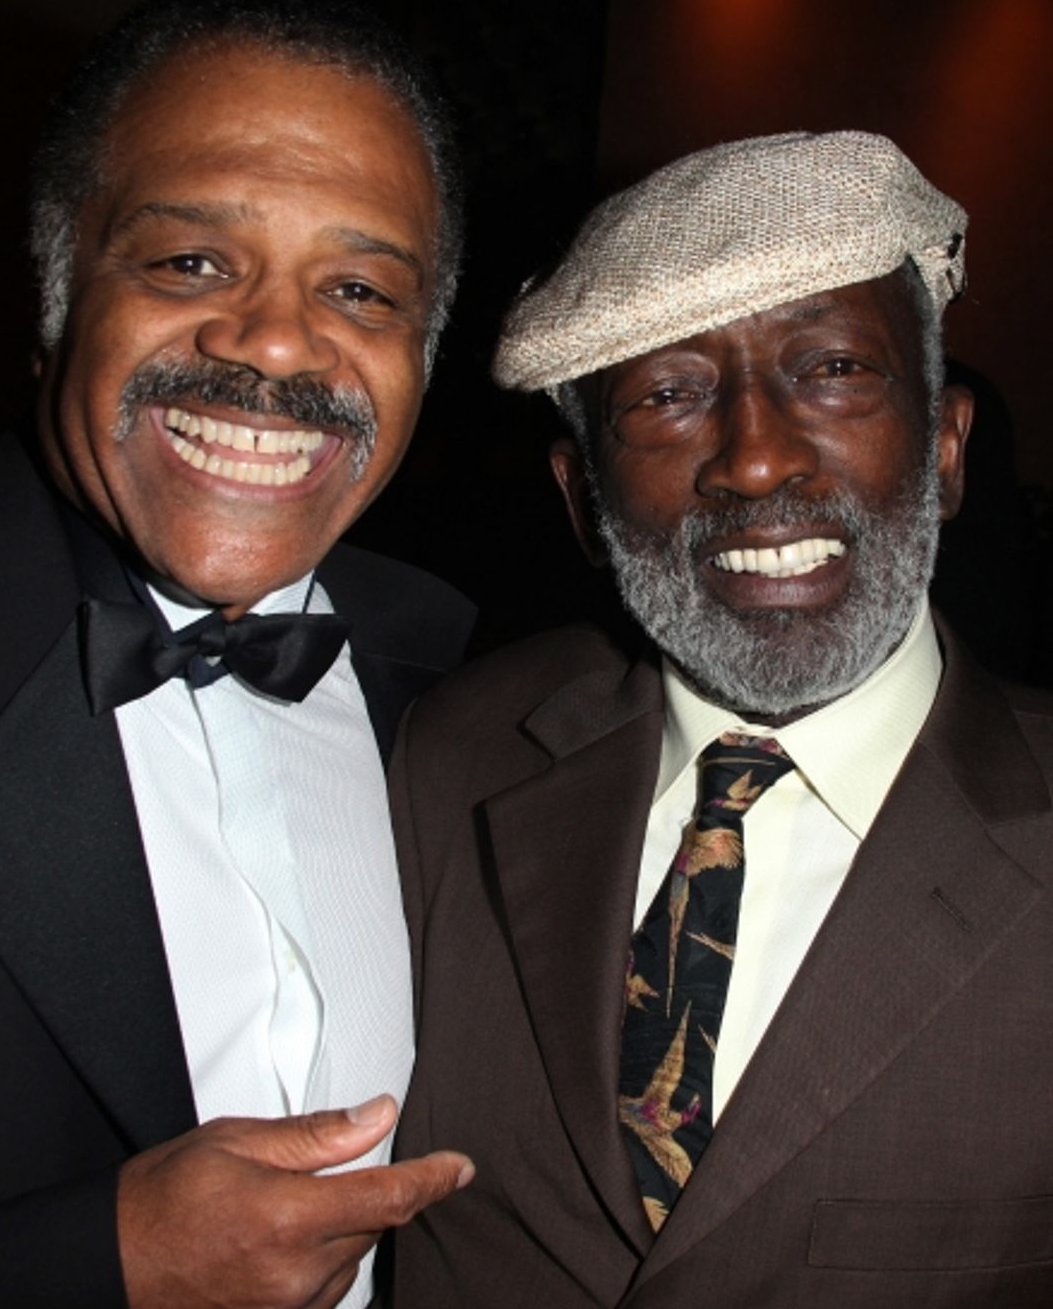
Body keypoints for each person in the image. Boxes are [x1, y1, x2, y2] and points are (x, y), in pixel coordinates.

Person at [0, 0, 476, 1309]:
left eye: (360, 288)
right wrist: (91, 1266)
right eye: (192, 261)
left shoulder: (474, 690)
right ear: (54, 296)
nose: (272, 340)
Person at [388, 131, 1053, 1307]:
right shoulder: (449, 759)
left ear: (946, 451)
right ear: (582, 504)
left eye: (834, 369)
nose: (754, 461)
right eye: (670, 394)